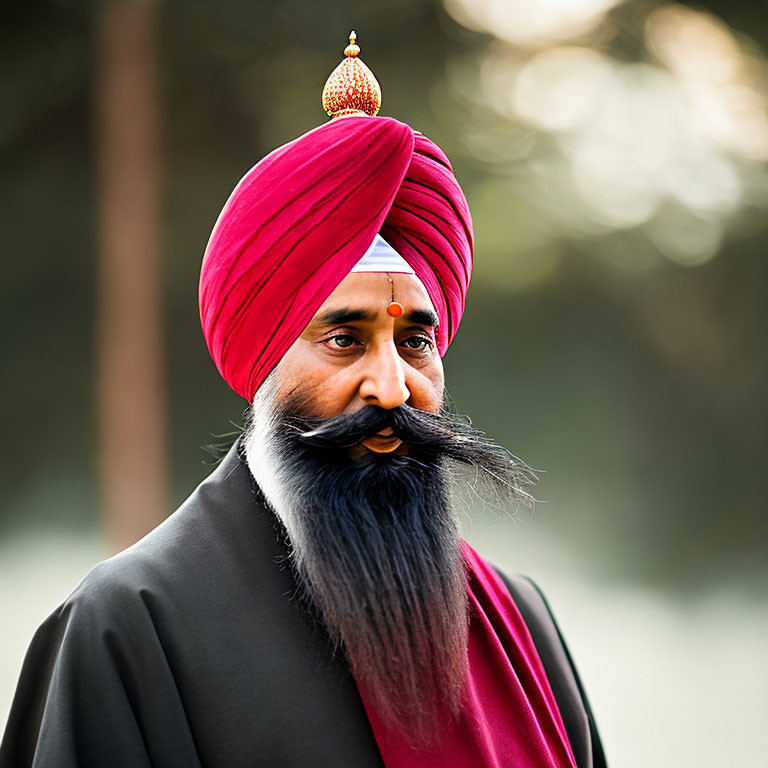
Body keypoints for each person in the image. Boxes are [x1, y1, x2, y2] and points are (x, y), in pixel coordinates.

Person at [1, 33, 606, 768]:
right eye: (344, 341)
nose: (391, 388)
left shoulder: (520, 621)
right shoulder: (129, 626)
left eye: (416, 343)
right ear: (263, 358)